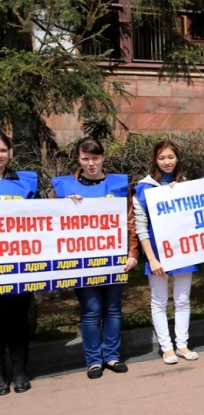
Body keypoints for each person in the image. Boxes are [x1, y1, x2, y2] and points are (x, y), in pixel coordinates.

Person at [51, 138, 139, 380]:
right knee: (91, 310)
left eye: (95, 158)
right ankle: (93, 361)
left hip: (114, 258)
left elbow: (130, 221)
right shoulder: (65, 188)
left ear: (103, 158)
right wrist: (65, 206)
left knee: (112, 309)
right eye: (85, 159)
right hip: (83, 260)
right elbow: (52, 224)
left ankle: (111, 355)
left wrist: (133, 252)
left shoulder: (118, 184)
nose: (91, 164)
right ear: (78, 159)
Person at [133, 140, 199, 365]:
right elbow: (140, 226)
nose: (167, 162)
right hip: (157, 253)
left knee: (182, 300)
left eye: (170, 157)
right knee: (159, 301)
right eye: (162, 158)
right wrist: (151, 258)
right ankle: (166, 347)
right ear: (155, 160)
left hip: (184, 250)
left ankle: (182, 344)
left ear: (177, 158)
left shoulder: (187, 185)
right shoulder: (143, 187)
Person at [0, 132, 38, 394]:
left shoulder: (25, 183)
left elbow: (42, 219)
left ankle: (19, 370)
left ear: (10, 153)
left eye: (2, 149)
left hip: (18, 264)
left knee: (17, 319)